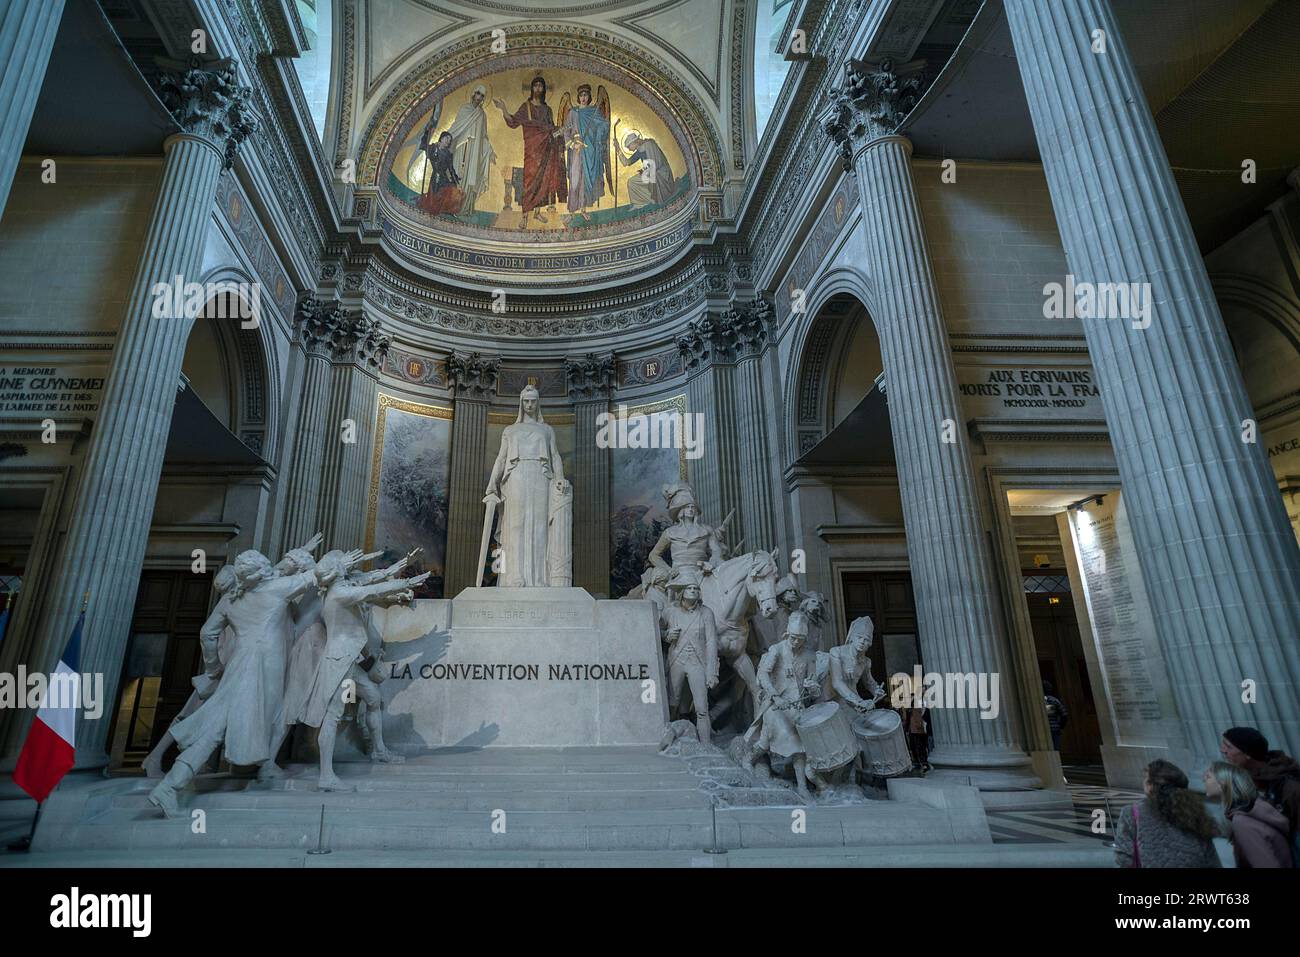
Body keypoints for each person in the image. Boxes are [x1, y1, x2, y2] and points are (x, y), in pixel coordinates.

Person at [1113, 759, 1220, 868]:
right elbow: (1211, 860)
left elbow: (1123, 859)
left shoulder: (1131, 813)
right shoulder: (1195, 812)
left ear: (1150, 786)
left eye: (1145, 779)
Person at [1220, 726, 1300, 864]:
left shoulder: (1290, 787)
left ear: (1247, 754)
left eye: (1229, 747)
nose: (1223, 750)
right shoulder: (1244, 782)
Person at [494, 76, 566, 227]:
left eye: (541, 86)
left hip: (546, 150)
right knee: (529, 182)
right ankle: (525, 216)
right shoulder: (525, 107)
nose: (538, 89)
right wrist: (503, 109)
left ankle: (537, 213)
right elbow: (513, 122)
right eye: (536, 86)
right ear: (532, 88)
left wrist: (560, 131)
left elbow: (551, 128)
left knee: (543, 182)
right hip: (532, 151)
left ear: (544, 89)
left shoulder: (547, 110)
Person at [1203, 762, 1292, 868]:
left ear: (1223, 783)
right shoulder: (1252, 809)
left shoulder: (1242, 822)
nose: (1204, 779)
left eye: (1208, 776)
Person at [444, 85, 496, 215]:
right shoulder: (464, 109)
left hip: (474, 151)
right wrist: (444, 139)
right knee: (456, 174)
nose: (479, 97)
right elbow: (456, 126)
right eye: (478, 93)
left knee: (470, 177)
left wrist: (490, 150)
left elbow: (483, 135)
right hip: (461, 147)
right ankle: (451, 206)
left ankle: (465, 208)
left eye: (482, 96)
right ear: (473, 94)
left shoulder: (482, 115)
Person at [616, 131, 676, 209]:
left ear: (634, 142)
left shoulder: (649, 145)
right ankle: (640, 203)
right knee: (632, 181)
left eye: (628, 146)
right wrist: (618, 149)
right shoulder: (639, 151)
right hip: (650, 172)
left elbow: (655, 163)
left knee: (637, 180)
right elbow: (627, 162)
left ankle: (653, 199)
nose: (628, 149)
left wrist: (645, 171)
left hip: (661, 173)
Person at [416, 130, 464, 216]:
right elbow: (423, 145)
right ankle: (435, 208)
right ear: (441, 138)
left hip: (443, 177)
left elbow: (451, 169)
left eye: (449, 141)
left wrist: (456, 182)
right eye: (447, 139)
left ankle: (449, 209)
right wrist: (427, 132)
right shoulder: (433, 148)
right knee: (435, 196)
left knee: (453, 191)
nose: (448, 142)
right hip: (435, 176)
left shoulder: (448, 154)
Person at [1042, 680, 1068, 752]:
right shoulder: (1054, 700)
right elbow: (1064, 715)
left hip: (1045, 730)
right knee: (1056, 751)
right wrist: (1060, 725)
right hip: (1055, 728)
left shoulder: (1046, 701)